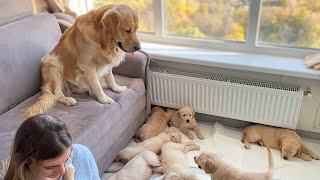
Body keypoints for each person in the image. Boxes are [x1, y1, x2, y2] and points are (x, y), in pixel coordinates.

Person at [4, 114, 100, 180]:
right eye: (51, 167)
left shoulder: (82, 154)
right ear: (27, 162)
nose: (63, 171)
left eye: (67, 159)